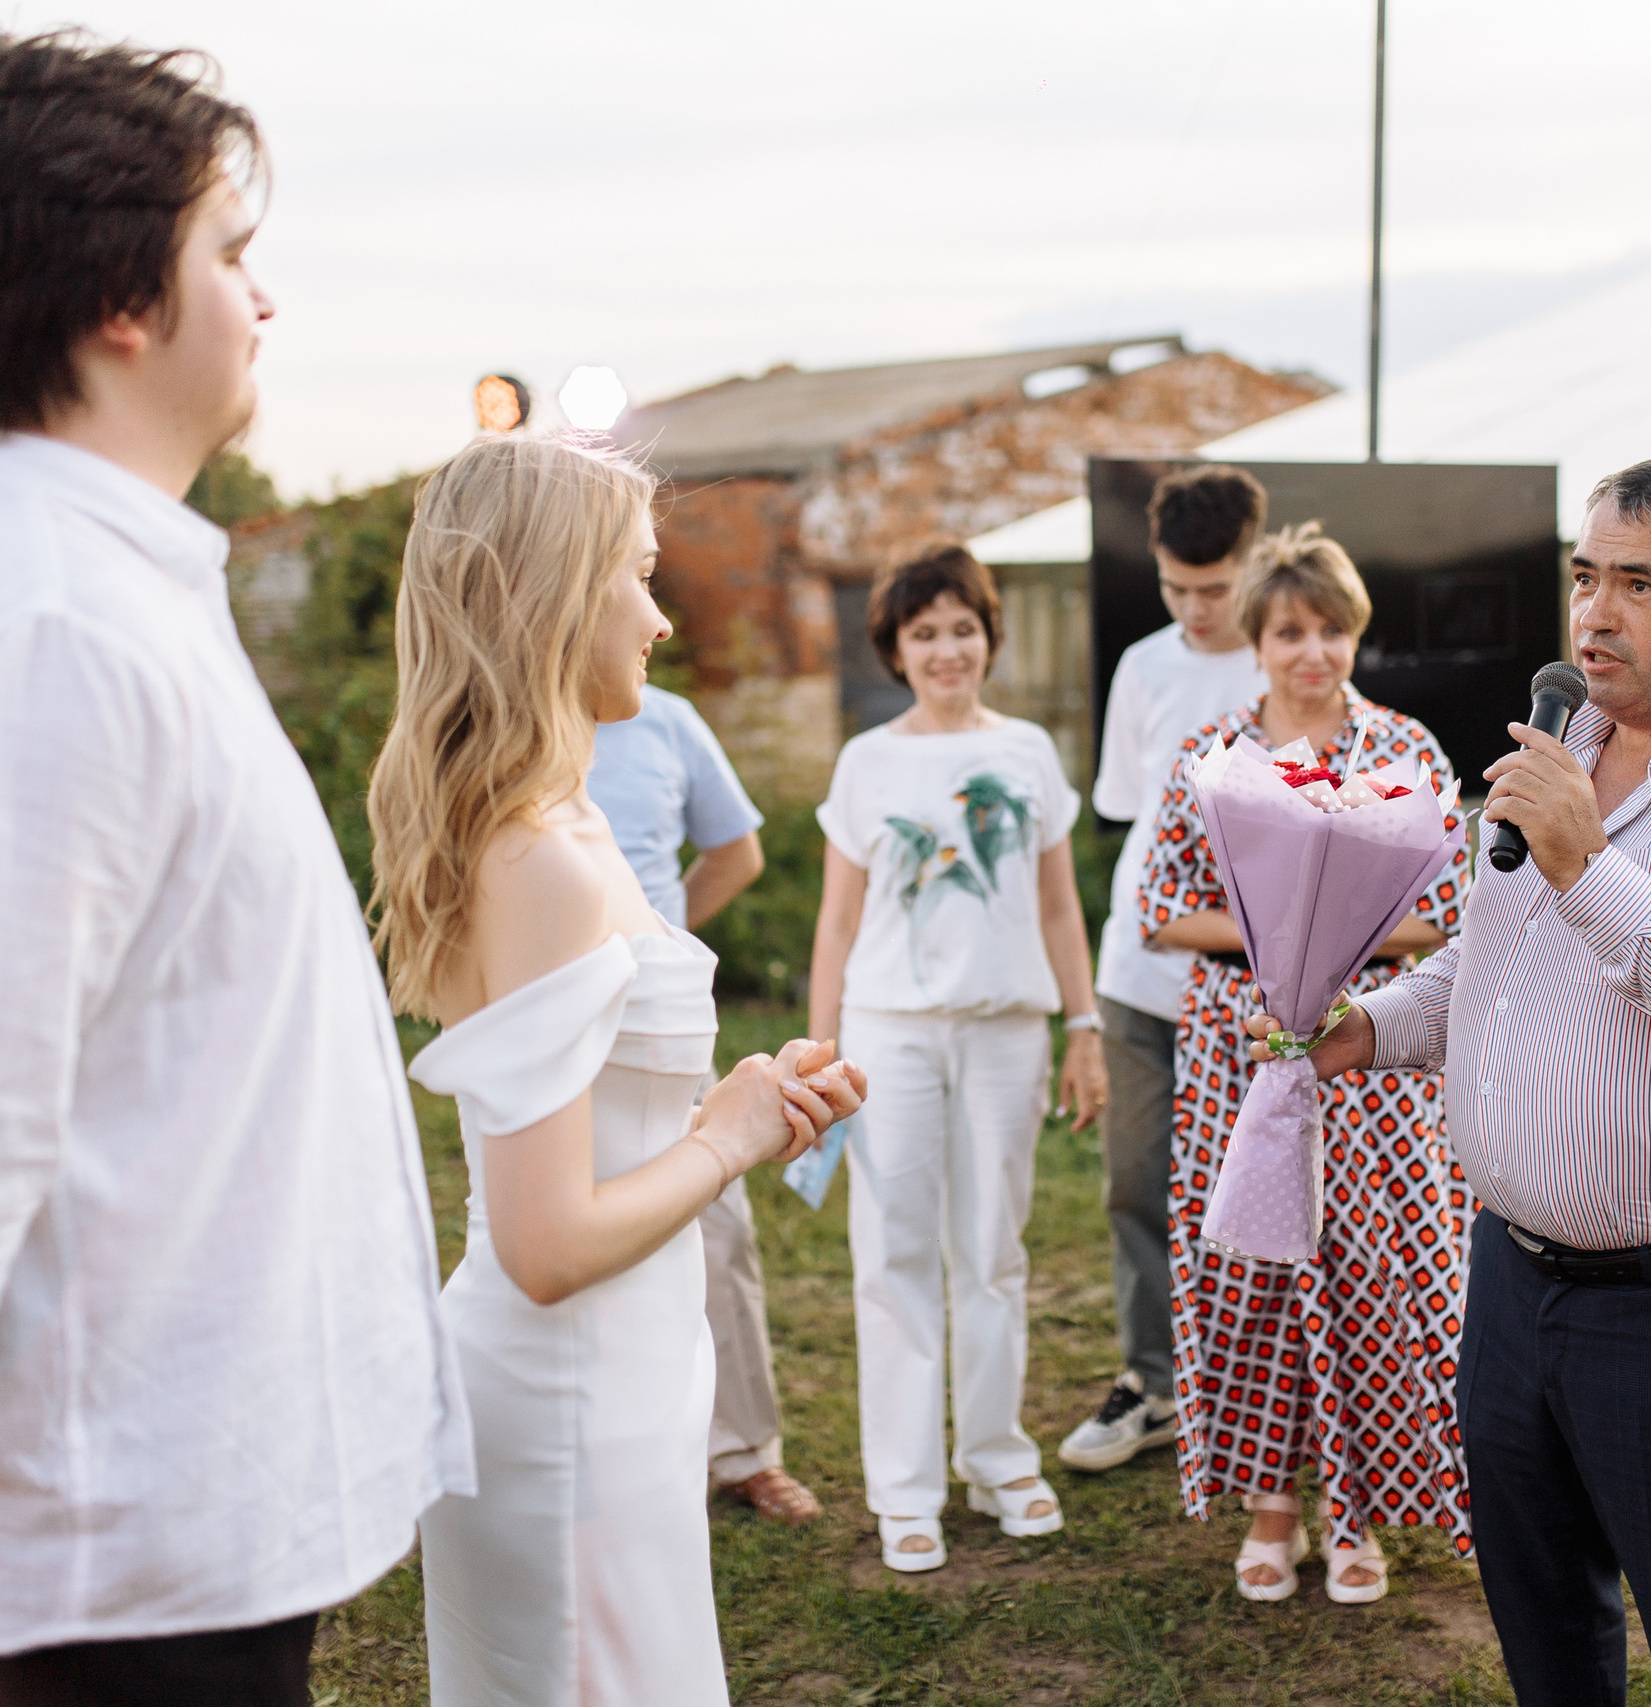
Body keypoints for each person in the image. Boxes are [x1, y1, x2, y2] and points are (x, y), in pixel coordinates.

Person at [0, 31, 473, 1704]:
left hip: (159, 1541)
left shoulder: (95, 587)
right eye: (232, 252)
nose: (262, 301)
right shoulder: (48, 637)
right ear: (120, 300)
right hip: (102, 1587)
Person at [1253, 452, 1651, 1702]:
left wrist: (1589, 864)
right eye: (1583, 577)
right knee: (1546, 1638)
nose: (1594, 614)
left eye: (1640, 584)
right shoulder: (1560, 746)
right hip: (1509, 1282)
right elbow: (1488, 963)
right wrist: (1370, 1027)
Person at [367, 433, 864, 1704]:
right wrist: (728, 1139)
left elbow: (604, 1128)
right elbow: (542, 1248)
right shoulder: (535, 856)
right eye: (635, 579)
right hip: (562, 1399)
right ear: (551, 594)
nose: (657, 617)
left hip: (634, 1376)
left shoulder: (572, 816)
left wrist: (737, 1103)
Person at [1140, 522, 1477, 1604]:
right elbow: (1160, 910)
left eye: (1330, 630)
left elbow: (1447, 909)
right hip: (1239, 1052)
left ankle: (1360, 1512)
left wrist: (1338, 949)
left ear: (1353, 635)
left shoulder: (1404, 754)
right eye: (1290, 631)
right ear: (1257, 638)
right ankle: (1270, 1505)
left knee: (1369, 1272)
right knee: (1255, 1276)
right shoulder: (1216, 756)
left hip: (1372, 1051)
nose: (1312, 652)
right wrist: (1276, 933)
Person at [808, 543, 1108, 1573]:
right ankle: (904, 1488)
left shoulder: (1026, 751)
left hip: (1005, 1031)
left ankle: (995, 1458)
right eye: (924, 632)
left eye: (963, 628)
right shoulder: (866, 763)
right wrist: (817, 1050)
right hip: (889, 1031)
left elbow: (1060, 903)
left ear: (989, 636)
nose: (947, 649)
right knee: (892, 1254)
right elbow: (836, 922)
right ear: (895, 647)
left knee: (992, 1250)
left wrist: (1082, 1026)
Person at [1060, 464, 1269, 1475]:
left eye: (1214, 589)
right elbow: (1125, 811)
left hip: (1248, 981)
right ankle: (1154, 1380)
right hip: (1137, 974)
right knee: (1135, 1181)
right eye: (1176, 588)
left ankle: (1248, 1383)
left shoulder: (1291, 668)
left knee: (1245, 1187)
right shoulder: (1143, 665)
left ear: (1255, 565)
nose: (1193, 609)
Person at [584, 684, 823, 1523]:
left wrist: (666, 936)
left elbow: (737, 850)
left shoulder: (669, 720)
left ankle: (745, 1452)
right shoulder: (505, 713)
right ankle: (601, 1449)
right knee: (565, 1221)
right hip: (548, 1016)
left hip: (658, 1023)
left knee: (717, 1229)